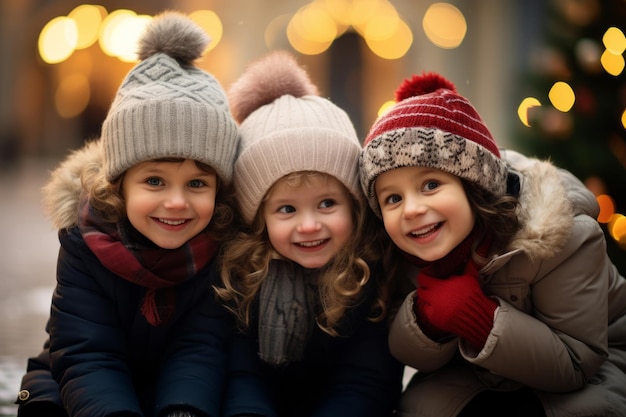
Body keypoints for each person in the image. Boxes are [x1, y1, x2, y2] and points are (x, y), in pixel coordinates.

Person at [359, 72, 626, 417]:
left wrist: (480, 320)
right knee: (420, 406)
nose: (411, 209)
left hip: (592, 368)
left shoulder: (563, 235)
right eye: (393, 198)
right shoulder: (405, 247)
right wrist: (427, 322)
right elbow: (405, 352)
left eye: (430, 185)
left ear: (475, 186)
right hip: (475, 372)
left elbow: (576, 363)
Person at [15, 11, 240, 417]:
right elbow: (84, 349)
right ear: (118, 184)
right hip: (84, 383)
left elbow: (201, 346)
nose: (176, 202)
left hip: (166, 386)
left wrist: (182, 409)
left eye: (197, 184)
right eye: (155, 182)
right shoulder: (86, 244)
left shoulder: (217, 247)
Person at [214, 50, 403, 417]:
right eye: (287, 209)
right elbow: (241, 373)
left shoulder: (369, 271)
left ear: (355, 205)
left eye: (327, 204)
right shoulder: (241, 274)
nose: (309, 225)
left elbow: (367, 378)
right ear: (259, 218)